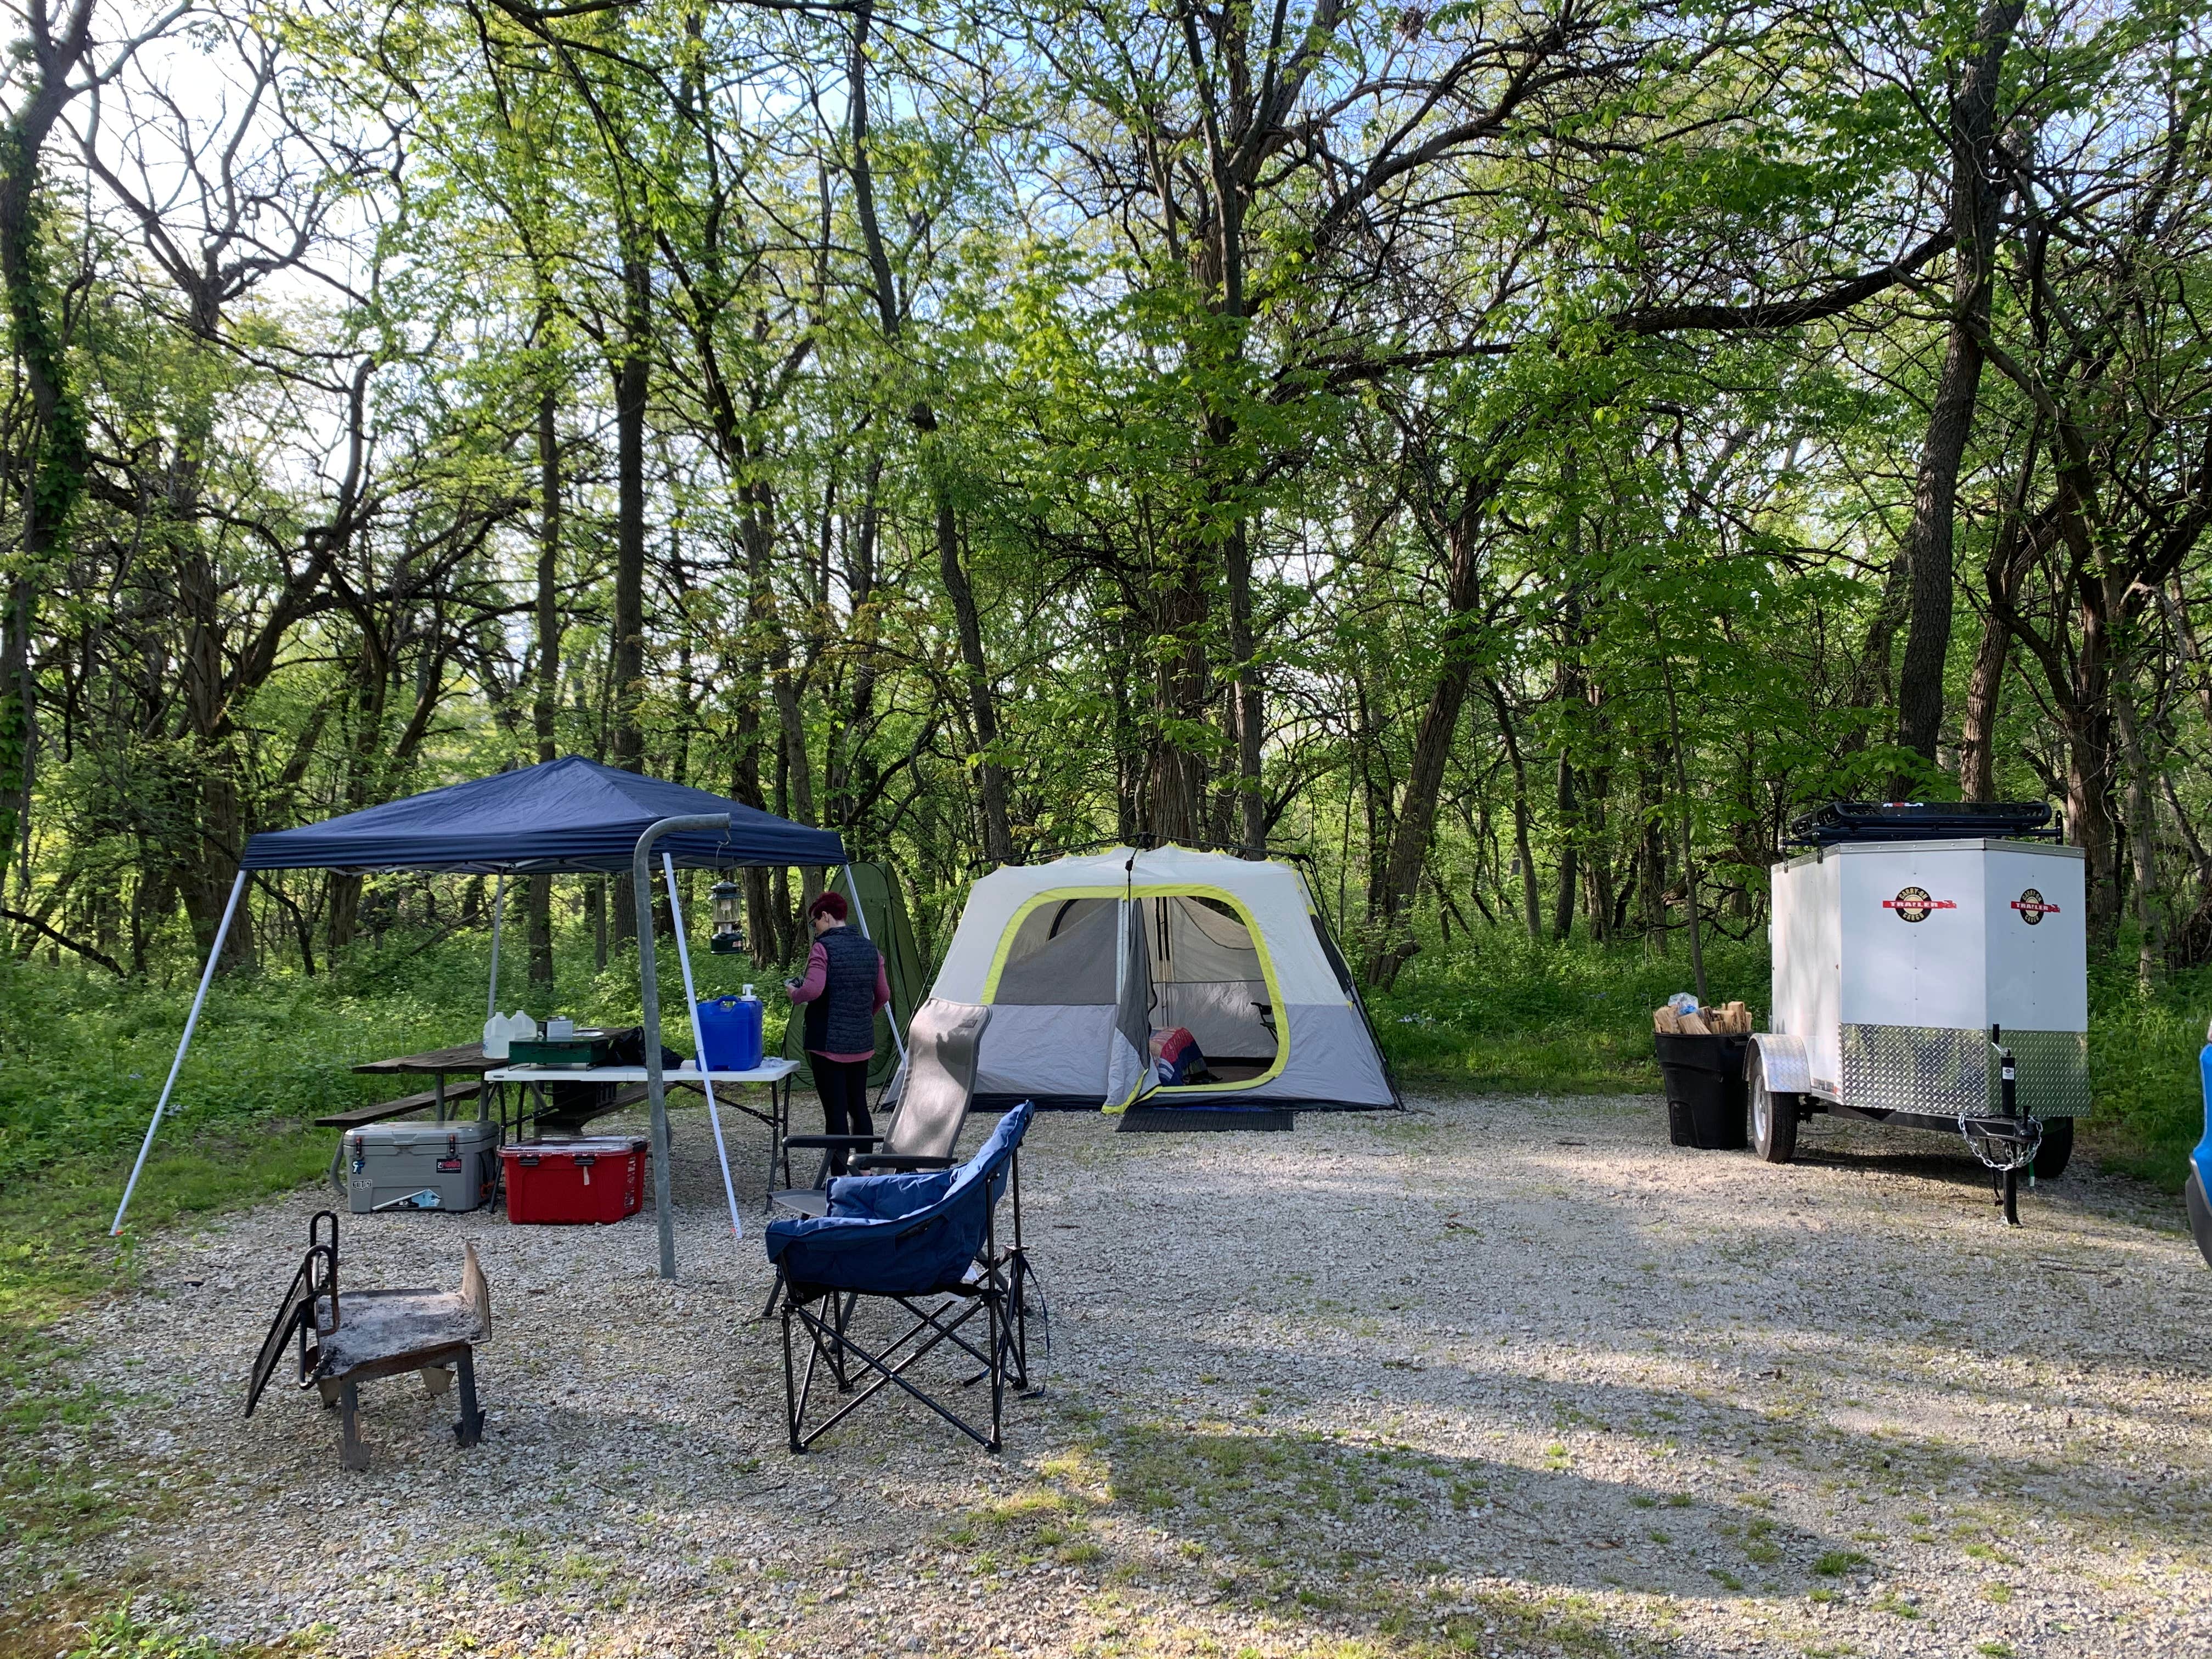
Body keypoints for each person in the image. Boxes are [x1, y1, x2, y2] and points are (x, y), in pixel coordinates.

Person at [785, 890, 891, 1174]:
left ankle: (840, 1178)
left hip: (827, 1045)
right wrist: (863, 1016)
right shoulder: (871, 949)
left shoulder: (823, 948)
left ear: (826, 916)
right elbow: (883, 994)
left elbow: (813, 990)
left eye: (815, 923)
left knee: (835, 1112)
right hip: (861, 1042)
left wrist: (795, 993)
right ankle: (865, 1172)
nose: (815, 929)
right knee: (859, 1106)